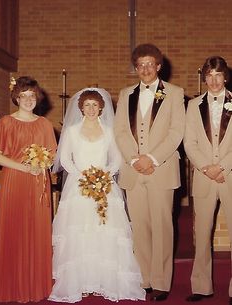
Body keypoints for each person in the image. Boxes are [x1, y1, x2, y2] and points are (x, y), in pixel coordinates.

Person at [48, 88, 145, 303]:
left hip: (105, 184)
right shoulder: (72, 131)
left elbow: (117, 159)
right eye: (87, 105)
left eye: (95, 104)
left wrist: (103, 175)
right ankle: (80, 280)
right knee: (80, 231)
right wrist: (84, 177)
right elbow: (65, 159)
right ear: (80, 108)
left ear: (101, 107)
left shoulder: (110, 131)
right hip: (79, 185)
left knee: (105, 230)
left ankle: (105, 280)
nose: (91, 109)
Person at [114, 43, 185, 301]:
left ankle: (161, 281)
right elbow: (120, 130)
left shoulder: (175, 93)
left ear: (158, 66)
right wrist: (134, 160)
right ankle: (144, 278)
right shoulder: (126, 94)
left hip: (161, 169)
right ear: (136, 68)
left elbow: (177, 131)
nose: (145, 69)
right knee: (140, 227)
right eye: (140, 65)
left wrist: (152, 158)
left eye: (149, 64)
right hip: (134, 171)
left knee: (162, 226)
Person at [0, 76, 57, 302]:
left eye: (32, 96)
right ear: (16, 98)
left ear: (37, 98)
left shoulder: (44, 124)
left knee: (37, 230)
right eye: (24, 96)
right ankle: (13, 287)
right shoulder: (6, 122)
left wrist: (42, 164)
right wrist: (23, 167)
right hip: (15, 182)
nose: (29, 100)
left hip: (38, 182)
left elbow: (52, 155)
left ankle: (36, 287)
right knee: (15, 229)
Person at [184, 56, 232, 305]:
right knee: (201, 233)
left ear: (225, 77)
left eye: (218, 75)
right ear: (204, 78)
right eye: (209, 76)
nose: (214, 81)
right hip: (204, 177)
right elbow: (189, 142)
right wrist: (205, 167)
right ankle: (202, 286)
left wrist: (222, 166)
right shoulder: (193, 106)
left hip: (230, 175)